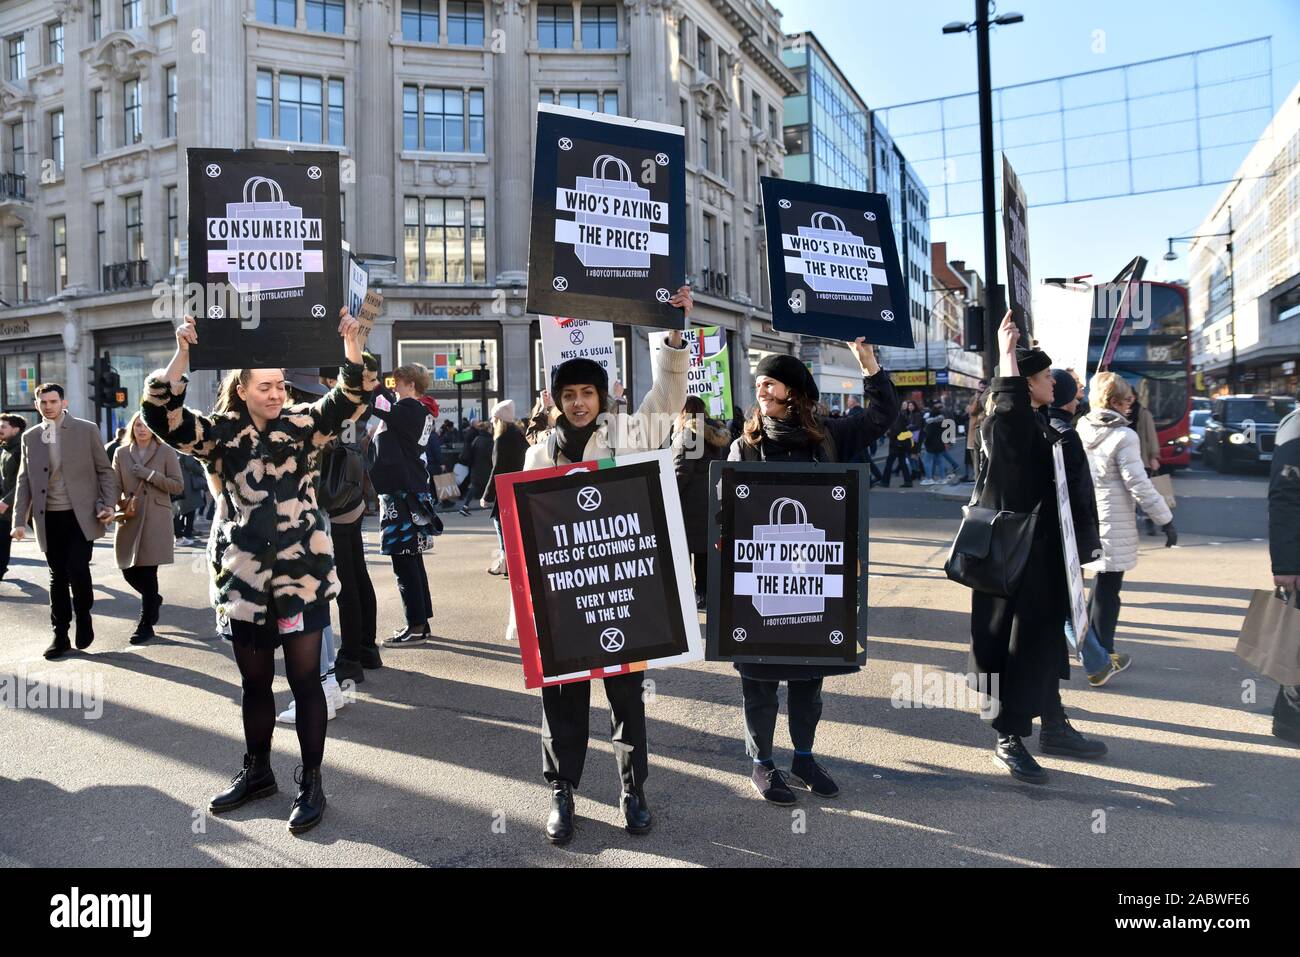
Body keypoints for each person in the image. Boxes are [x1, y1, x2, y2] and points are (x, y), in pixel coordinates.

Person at [142, 310, 368, 836]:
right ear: (240, 389)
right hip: (243, 581)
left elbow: (348, 400)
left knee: (307, 682)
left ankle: (312, 783)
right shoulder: (219, 434)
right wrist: (184, 353)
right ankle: (259, 770)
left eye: (278, 386)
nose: (275, 394)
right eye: (263, 386)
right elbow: (161, 414)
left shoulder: (304, 427)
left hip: (301, 578)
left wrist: (352, 349)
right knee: (255, 683)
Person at [523, 285, 693, 846]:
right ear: (556, 401)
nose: (578, 403)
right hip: (563, 603)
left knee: (627, 702)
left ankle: (632, 791)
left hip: (622, 597)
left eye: (587, 393)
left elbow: (667, 400)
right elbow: (521, 523)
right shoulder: (539, 452)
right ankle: (562, 793)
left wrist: (671, 333)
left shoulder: (625, 434)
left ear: (601, 396)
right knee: (563, 705)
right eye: (568, 395)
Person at [727, 339, 898, 804]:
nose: (760, 390)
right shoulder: (746, 444)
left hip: (815, 582)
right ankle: (763, 763)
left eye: (770, 382)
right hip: (763, 581)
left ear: (793, 390)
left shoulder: (828, 436)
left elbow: (882, 416)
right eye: (758, 383)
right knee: (760, 681)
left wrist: (869, 365)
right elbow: (728, 509)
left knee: (808, 678)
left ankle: (803, 757)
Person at [967, 314, 1076, 784]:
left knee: (1043, 642)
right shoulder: (1005, 422)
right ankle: (1008, 738)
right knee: (1011, 647)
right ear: (1025, 385)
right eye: (1046, 376)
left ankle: (1054, 723)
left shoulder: (1038, 421)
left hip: (1042, 556)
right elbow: (1008, 423)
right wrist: (1006, 355)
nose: (1054, 381)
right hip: (1012, 560)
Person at [1075, 372, 1176, 687]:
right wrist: (1165, 519)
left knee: (1098, 588)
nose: (1131, 405)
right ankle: (1103, 655)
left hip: (1090, 517)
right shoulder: (1124, 436)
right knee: (1109, 591)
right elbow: (1138, 484)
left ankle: (1093, 650)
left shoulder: (1082, 427)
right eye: (1127, 399)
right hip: (1115, 519)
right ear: (1113, 401)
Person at [11, 383, 118, 659]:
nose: (48, 406)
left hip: (80, 516)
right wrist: (19, 520)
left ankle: (83, 615)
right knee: (57, 576)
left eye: (53, 401)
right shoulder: (31, 437)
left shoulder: (86, 430)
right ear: (37, 405)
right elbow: (24, 481)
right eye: (43, 402)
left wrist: (108, 504)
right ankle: (60, 635)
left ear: (63, 401)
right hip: (48, 519)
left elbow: (105, 471)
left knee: (78, 569)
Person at [1038, 370, 1109, 759]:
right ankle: (1046, 725)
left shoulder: (1044, 427)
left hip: (1041, 549)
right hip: (1056, 549)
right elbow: (1079, 498)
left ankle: (1051, 721)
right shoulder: (1063, 434)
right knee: (1057, 625)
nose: (1079, 393)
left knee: (1052, 629)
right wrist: (1087, 547)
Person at [368, 363, 441, 647]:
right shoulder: (416, 412)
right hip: (409, 491)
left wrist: (368, 379)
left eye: (397, 381)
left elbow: (375, 401)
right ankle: (421, 622)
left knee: (404, 559)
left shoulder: (409, 410)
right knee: (412, 558)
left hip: (402, 494)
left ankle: (416, 625)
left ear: (411, 384)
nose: (393, 386)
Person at [110, 411, 183, 645]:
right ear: (132, 428)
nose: (141, 429)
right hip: (130, 515)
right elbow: (114, 485)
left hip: (156, 516)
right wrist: (109, 505)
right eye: (137, 425)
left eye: (145, 425)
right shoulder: (121, 453)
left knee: (148, 570)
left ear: (153, 429)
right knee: (127, 568)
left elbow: (177, 486)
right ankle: (153, 599)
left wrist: (150, 474)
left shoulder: (166, 451)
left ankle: (146, 623)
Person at [671, 394, 732, 608]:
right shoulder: (716, 434)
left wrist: (670, 496)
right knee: (704, 550)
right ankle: (703, 594)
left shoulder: (687, 434)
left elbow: (681, 471)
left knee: (683, 549)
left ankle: (684, 597)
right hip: (711, 500)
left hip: (688, 503)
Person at [1266, 393, 1299, 743]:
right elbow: (1286, 495)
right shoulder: (1297, 425)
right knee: (1296, 640)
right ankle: (1290, 719)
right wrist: (1287, 563)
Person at [480, 399, 528, 577]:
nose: (491, 422)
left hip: (506, 491)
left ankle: (505, 562)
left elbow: (498, 469)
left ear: (499, 419)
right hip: (518, 488)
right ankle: (509, 563)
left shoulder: (502, 439)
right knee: (513, 529)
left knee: (502, 526)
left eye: (493, 419)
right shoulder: (519, 435)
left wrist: (487, 495)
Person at [0, 413, 25, 583]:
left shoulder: (20, 450)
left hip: (19, 504)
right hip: (7, 505)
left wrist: (6, 501)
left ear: (15, 430)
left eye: (3, 427)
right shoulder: (5, 448)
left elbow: (24, 480)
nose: (0, 429)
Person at [457, 420, 494, 516]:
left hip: (476, 467)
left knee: (474, 487)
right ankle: (499, 507)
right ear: (488, 429)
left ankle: (465, 507)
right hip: (486, 468)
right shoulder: (489, 441)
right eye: (490, 428)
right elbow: (491, 456)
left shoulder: (477, 439)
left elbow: (471, 453)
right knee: (493, 485)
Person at [921, 402, 960, 484]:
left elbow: (928, 435)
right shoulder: (943, 422)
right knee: (940, 461)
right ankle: (942, 478)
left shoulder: (930, 424)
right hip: (941, 443)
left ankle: (929, 478)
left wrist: (926, 442)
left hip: (931, 445)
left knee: (927, 461)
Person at [879, 400, 916, 488]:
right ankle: (908, 481)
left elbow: (896, 430)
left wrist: (889, 433)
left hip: (897, 444)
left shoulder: (896, 416)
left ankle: (885, 482)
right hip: (901, 443)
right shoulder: (900, 415)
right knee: (902, 462)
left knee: (889, 462)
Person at [173, 453, 206, 546]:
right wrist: (202, 470)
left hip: (180, 479)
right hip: (187, 481)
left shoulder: (171, 447)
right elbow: (190, 464)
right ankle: (188, 530)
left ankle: (186, 529)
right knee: (190, 507)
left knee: (182, 508)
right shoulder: (184, 449)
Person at [964, 383, 986, 481]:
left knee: (982, 457)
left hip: (983, 429)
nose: (982, 389)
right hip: (974, 430)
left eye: (984, 387)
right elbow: (972, 411)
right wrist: (977, 399)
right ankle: (977, 478)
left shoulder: (988, 396)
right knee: (975, 458)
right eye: (981, 387)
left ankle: (980, 477)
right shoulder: (975, 398)